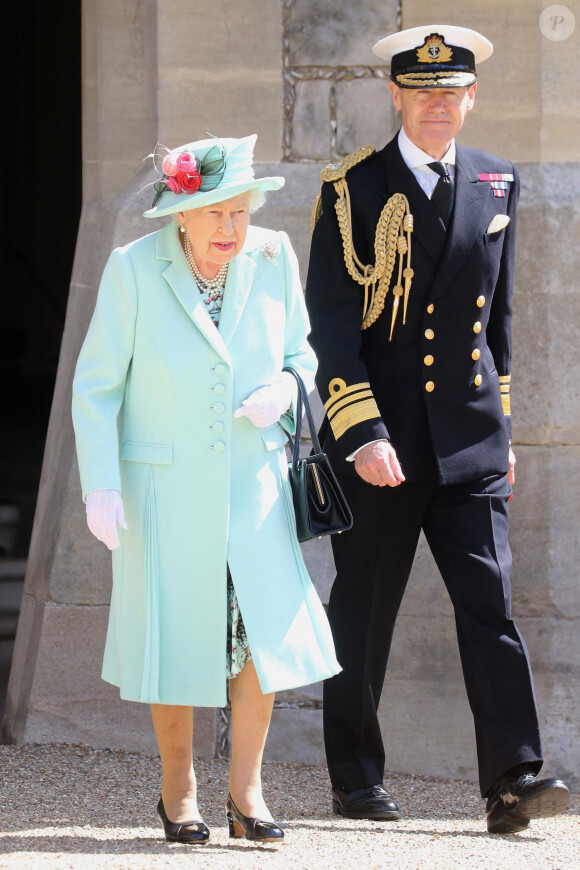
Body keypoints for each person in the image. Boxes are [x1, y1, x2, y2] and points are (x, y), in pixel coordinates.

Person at [305, 24, 570, 834]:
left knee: (490, 605)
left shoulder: (497, 181)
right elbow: (333, 330)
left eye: (450, 95)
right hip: (383, 443)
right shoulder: (353, 190)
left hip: (471, 439)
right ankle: (355, 777)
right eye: (422, 95)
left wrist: (507, 435)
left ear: (470, 98)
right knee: (365, 611)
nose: (437, 108)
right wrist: (361, 433)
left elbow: (502, 325)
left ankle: (515, 779)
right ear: (395, 96)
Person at [72, 134, 341, 844]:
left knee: (260, 642)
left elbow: (303, 354)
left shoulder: (273, 257)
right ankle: (178, 789)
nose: (230, 228)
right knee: (175, 635)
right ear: (179, 215)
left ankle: (247, 793)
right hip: (162, 491)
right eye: (215, 212)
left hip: (255, 490)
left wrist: (286, 387)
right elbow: (97, 388)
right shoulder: (133, 269)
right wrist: (100, 485)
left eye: (241, 211)